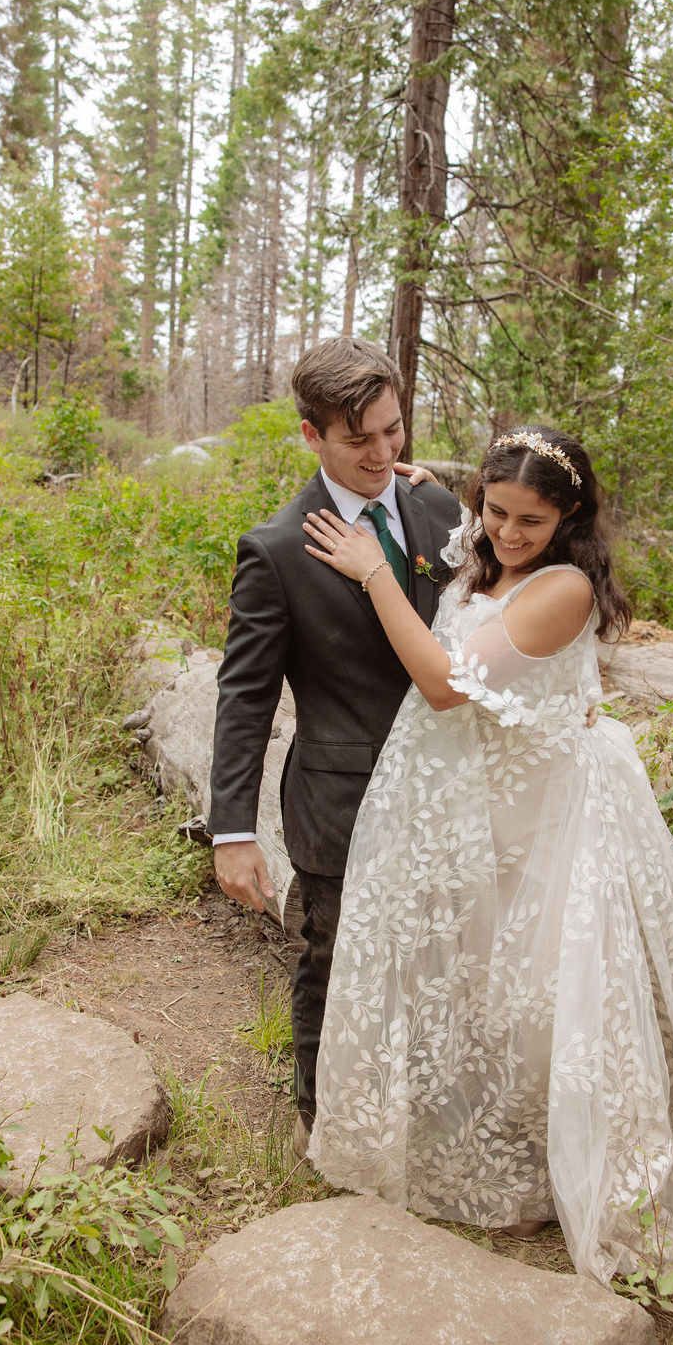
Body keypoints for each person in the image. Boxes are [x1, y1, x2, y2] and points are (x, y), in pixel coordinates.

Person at [302, 424, 673, 1285]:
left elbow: (446, 684)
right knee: (491, 976)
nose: (508, 534)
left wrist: (377, 575)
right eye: (497, 510)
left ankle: (581, 1158)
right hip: (485, 804)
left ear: (568, 518)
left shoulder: (562, 586)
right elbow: (468, 540)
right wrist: (436, 487)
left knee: (550, 991)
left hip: (549, 811)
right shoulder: (486, 540)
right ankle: (507, 1132)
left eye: (532, 519)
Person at [207, 337, 460, 1157]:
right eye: (361, 441)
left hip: (449, 788)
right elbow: (245, 696)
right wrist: (232, 830)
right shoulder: (276, 550)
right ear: (311, 434)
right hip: (340, 802)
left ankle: (422, 1105)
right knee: (332, 957)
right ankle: (322, 1125)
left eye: (394, 431)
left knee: (437, 953)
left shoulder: (435, 507)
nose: (385, 453)